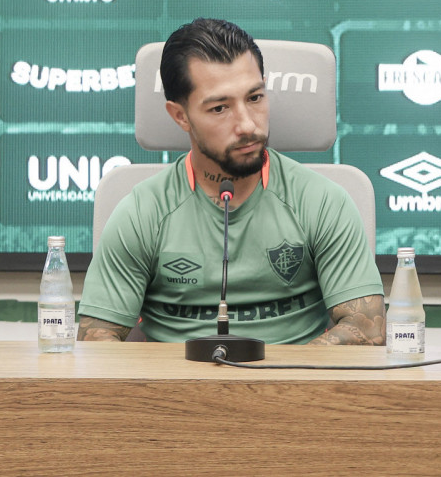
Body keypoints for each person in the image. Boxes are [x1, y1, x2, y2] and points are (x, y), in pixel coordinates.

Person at [78, 19, 385, 345]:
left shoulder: (322, 202)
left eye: (254, 98)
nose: (247, 124)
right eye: (220, 107)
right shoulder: (142, 211)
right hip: (175, 389)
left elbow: (367, 328)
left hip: (293, 387)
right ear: (180, 115)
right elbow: (97, 341)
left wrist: (284, 381)